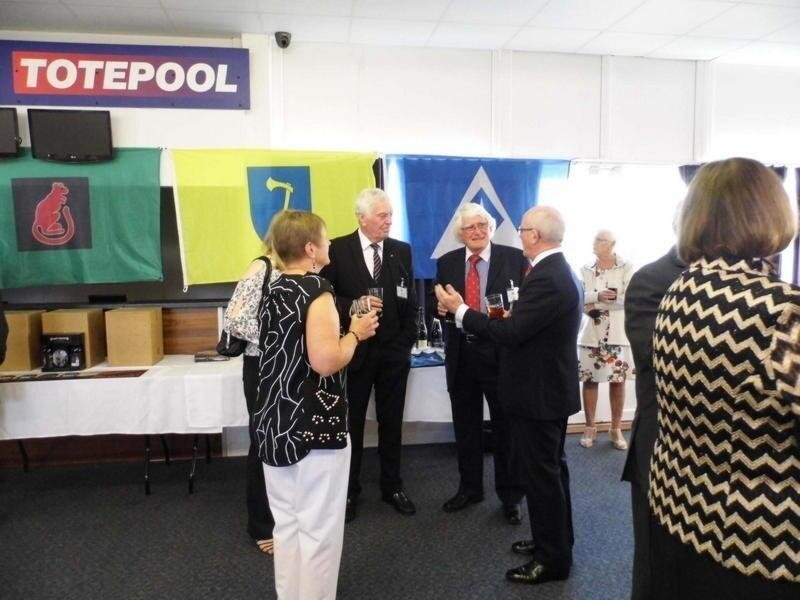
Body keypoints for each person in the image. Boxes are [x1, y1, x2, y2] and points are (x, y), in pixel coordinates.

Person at [647, 158, 800, 598]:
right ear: (773, 213)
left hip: (680, 515)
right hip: (763, 545)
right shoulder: (783, 312)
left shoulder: (679, 291)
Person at [436, 206, 581, 585]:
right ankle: (554, 542)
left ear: (535, 235)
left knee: (543, 477)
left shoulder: (547, 277)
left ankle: (552, 560)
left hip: (539, 394)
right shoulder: (554, 270)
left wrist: (460, 310)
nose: (518, 234)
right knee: (551, 472)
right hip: (545, 390)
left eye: (522, 229)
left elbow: (511, 332)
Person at [253, 210, 378, 600]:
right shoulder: (317, 291)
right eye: (325, 239)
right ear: (310, 249)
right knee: (319, 529)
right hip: (313, 425)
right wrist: (355, 334)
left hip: (274, 421)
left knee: (287, 525)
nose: (329, 245)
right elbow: (325, 361)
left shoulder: (271, 287)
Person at [319, 188, 418, 522]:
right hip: (353, 352)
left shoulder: (401, 250)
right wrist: (354, 305)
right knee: (352, 425)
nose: (389, 221)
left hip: (394, 354)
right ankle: (349, 491)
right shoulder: (337, 249)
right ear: (361, 218)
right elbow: (325, 299)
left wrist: (405, 344)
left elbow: (410, 300)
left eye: (390, 215)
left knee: (392, 423)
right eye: (381, 215)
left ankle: (393, 486)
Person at [434, 203, 526, 523]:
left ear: (490, 227)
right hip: (462, 354)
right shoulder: (446, 263)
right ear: (460, 233)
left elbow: (525, 304)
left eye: (482, 225)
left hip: (501, 354)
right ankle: (470, 488)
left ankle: (511, 496)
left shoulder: (514, 258)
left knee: (506, 428)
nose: (476, 231)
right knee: (466, 426)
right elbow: (437, 304)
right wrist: (440, 309)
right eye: (470, 227)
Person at [621, 245, 685, 600]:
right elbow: (661, 363)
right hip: (666, 449)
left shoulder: (764, 282)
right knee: (658, 569)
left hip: (743, 466)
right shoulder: (653, 280)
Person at [223, 248, 282, 555]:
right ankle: (261, 525)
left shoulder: (304, 270)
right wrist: (280, 338)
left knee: (284, 443)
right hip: (261, 365)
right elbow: (234, 320)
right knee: (262, 442)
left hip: (291, 366)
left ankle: (283, 519)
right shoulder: (262, 267)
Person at [577, 230, 633, 450]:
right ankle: (589, 427)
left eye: (600, 240)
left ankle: (615, 428)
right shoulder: (585, 268)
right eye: (595, 239)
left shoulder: (626, 267)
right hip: (591, 332)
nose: (595, 243)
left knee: (618, 380)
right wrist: (597, 296)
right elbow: (579, 297)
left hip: (617, 332)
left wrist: (597, 301)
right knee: (589, 379)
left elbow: (629, 298)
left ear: (612, 244)